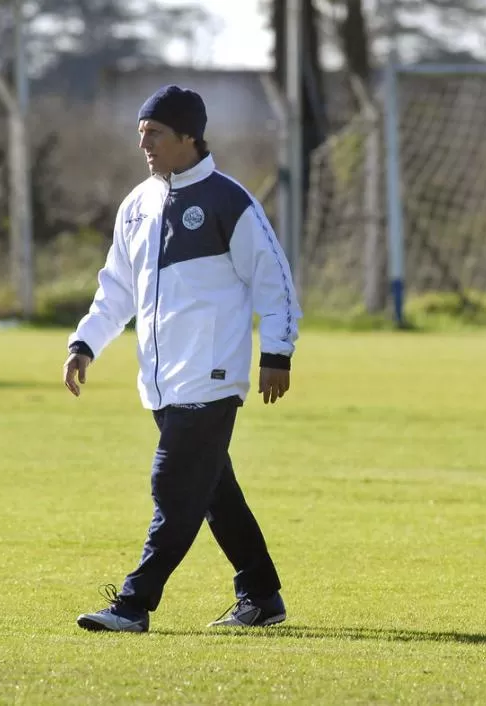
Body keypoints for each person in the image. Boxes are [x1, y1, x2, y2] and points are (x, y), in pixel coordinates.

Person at [63, 85, 301, 633]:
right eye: (141, 133)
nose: (144, 143)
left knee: (173, 487)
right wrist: (84, 343)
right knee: (214, 490)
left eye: (156, 134)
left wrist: (278, 352)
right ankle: (261, 596)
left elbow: (274, 279)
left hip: (211, 374)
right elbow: (116, 289)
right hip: (161, 381)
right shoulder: (137, 204)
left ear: (189, 137)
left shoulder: (228, 200)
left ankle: (133, 604)